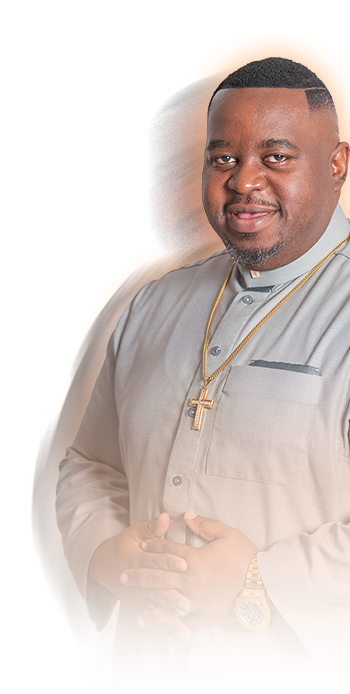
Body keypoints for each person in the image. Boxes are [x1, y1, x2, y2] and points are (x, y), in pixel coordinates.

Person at [55, 58, 350, 694]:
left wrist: (256, 583)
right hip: (151, 679)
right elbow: (91, 463)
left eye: (277, 157)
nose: (244, 181)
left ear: (337, 164)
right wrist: (105, 555)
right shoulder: (154, 303)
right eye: (223, 158)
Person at [30, 75, 223, 656]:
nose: (187, 195)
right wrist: (105, 555)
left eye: (212, 162)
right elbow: (77, 457)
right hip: (136, 647)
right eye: (166, 175)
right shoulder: (131, 296)